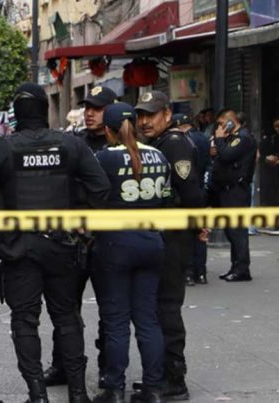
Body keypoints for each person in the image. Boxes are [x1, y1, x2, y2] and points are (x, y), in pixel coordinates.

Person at [0, 83, 110, 403]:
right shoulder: (71, 145)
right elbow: (100, 188)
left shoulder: (1, 150)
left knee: (25, 321)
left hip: (20, 249)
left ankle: (38, 394)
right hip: (63, 245)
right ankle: (78, 393)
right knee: (67, 316)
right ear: (45, 109)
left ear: (16, 113)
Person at [91, 103, 170, 403]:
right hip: (151, 243)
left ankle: (113, 388)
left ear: (108, 130)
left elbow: (92, 197)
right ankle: (153, 388)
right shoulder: (158, 155)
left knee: (116, 320)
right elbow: (166, 198)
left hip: (115, 245)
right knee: (148, 319)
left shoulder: (103, 158)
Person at [44, 85, 118, 389]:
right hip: (73, 238)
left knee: (109, 309)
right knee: (65, 306)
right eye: (87, 107)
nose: (89, 113)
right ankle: (63, 364)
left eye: (97, 108)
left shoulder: (122, 146)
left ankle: (107, 367)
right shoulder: (73, 144)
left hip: (106, 237)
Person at [134, 91, 206, 401]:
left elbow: (189, 193)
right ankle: (160, 372)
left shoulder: (175, 143)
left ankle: (175, 379)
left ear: (166, 114)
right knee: (156, 307)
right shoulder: (158, 144)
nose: (145, 121)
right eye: (141, 115)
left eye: (151, 114)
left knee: (167, 307)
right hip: (161, 236)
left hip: (173, 237)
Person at [209, 109, 257, 282]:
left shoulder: (242, 138)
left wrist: (220, 140)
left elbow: (228, 155)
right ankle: (235, 266)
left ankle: (242, 269)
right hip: (225, 189)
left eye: (222, 123)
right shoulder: (230, 138)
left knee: (237, 231)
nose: (219, 127)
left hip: (236, 190)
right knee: (230, 231)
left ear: (231, 122)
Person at [171, 113, 212, 286]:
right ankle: (201, 272)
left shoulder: (181, 142)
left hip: (187, 190)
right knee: (201, 233)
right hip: (201, 189)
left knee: (187, 233)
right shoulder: (203, 138)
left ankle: (188, 272)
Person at [260, 118, 279, 208]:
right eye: (276, 126)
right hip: (272, 171)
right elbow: (261, 153)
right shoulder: (272, 138)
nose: (278, 128)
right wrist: (267, 158)